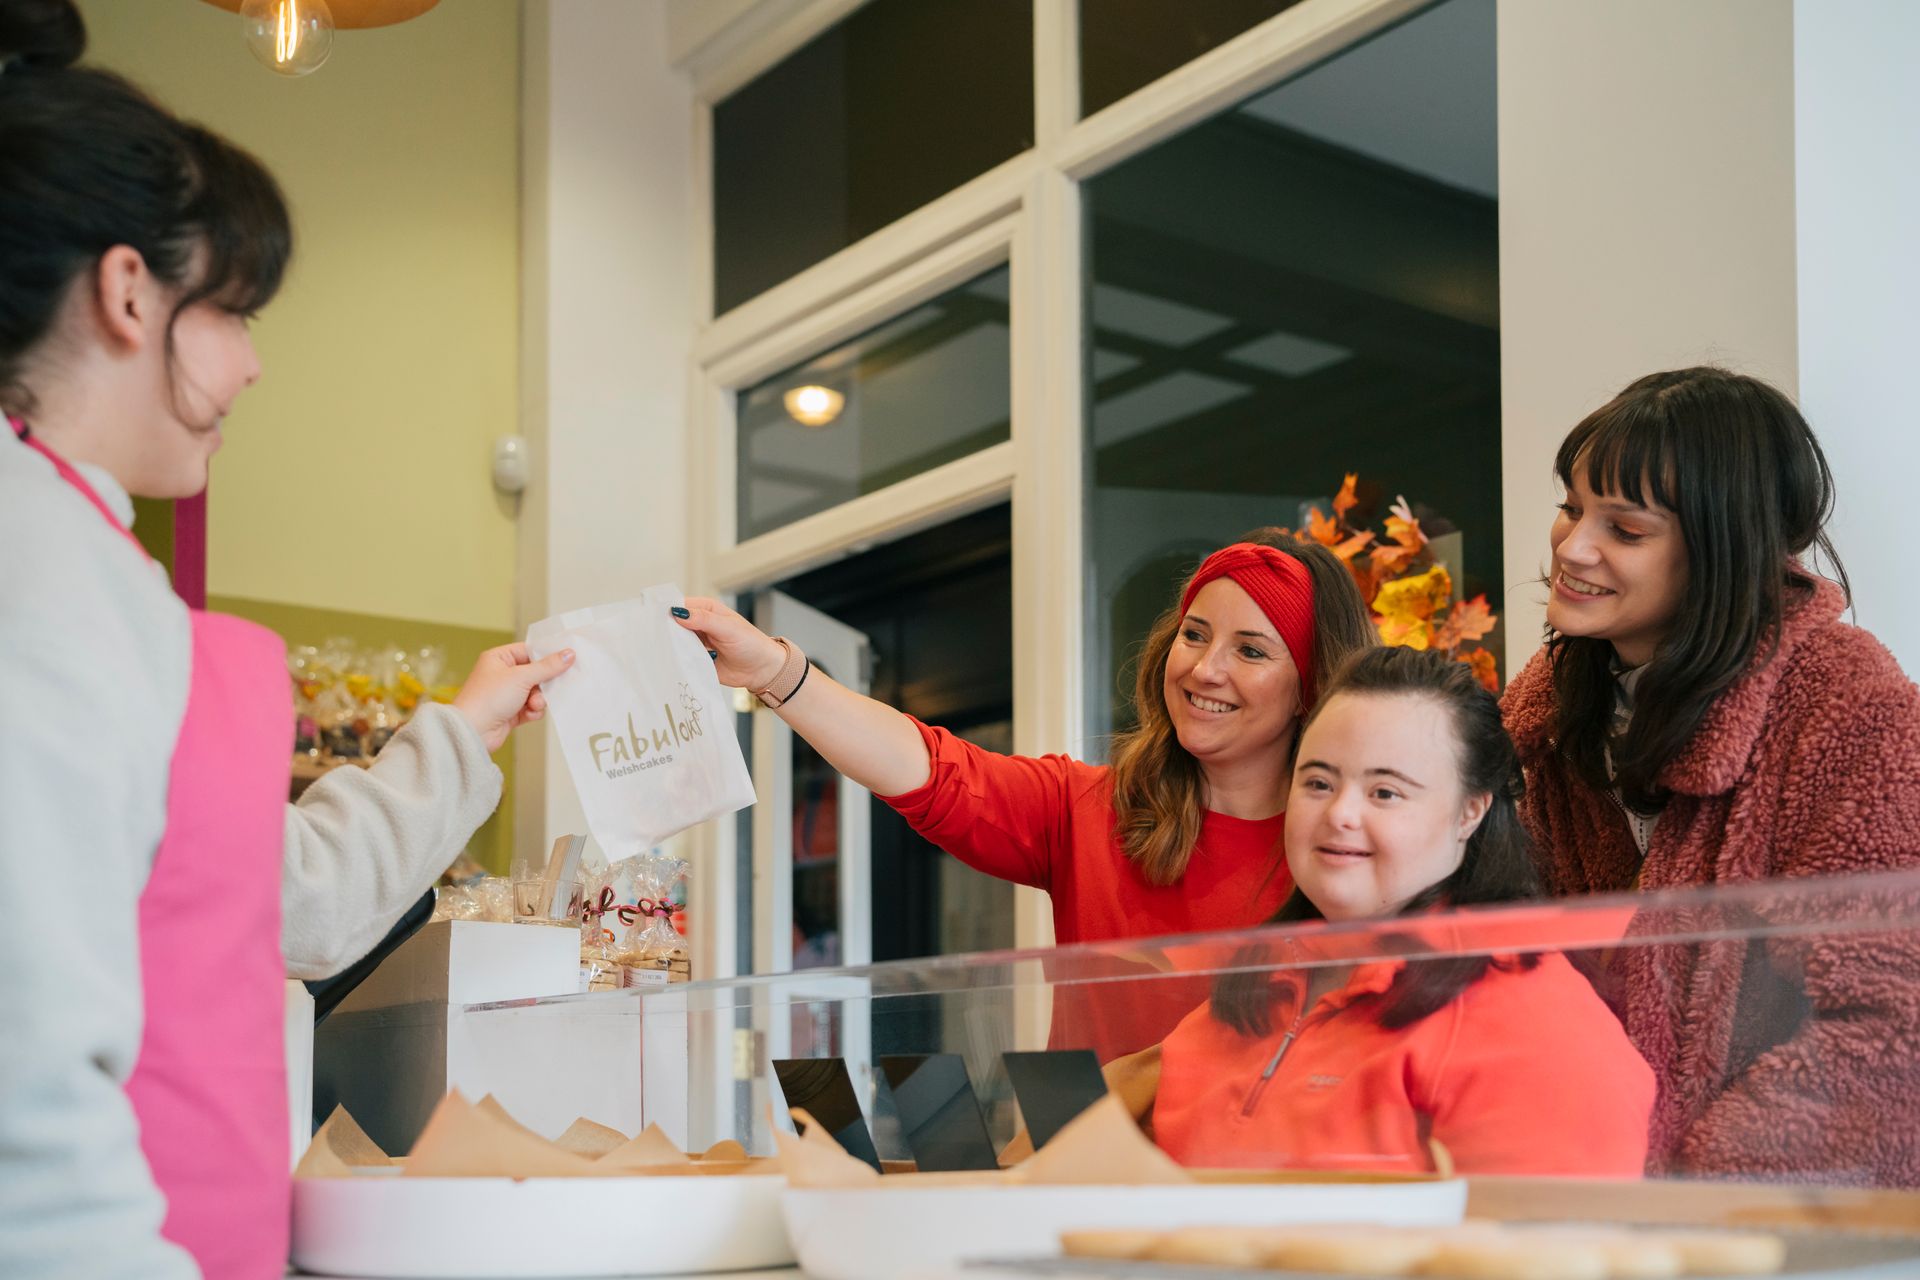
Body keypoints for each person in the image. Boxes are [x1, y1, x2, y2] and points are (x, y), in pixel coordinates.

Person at [0, 5, 569, 1275]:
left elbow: (278, 897)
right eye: (239, 315)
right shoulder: (35, 573)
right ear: (129, 290)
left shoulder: (94, 561)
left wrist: (463, 727)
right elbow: (19, 1073)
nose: (252, 367)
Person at [678, 533, 1376, 1055]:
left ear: (1310, 687)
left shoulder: (1350, 848)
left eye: (1252, 651)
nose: (1205, 668)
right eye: (1194, 635)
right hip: (1086, 1195)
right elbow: (928, 768)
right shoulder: (1089, 810)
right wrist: (774, 668)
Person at [1501, 367, 1920, 1183]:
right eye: (1570, 507)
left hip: (1773, 1228)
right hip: (1594, 1204)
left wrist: (1694, 1189)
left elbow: (1890, 1029)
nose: (1573, 547)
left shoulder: (1855, 710)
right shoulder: (1548, 714)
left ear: (1721, 549)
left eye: (1624, 530)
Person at [1147, 647, 1653, 1176]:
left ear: (1470, 811)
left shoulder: (1538, 1028)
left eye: (1385, 792)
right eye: (1318, 783)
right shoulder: (1251, 988)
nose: (1339, 814)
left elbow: (1549, 1249)